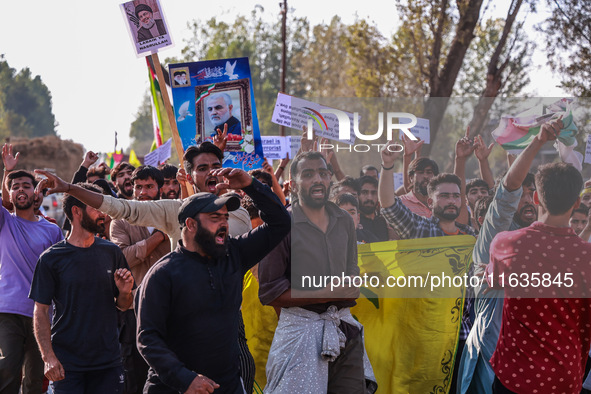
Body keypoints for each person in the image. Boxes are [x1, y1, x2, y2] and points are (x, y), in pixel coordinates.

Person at [34, 142, 255, 388]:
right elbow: (121, 207)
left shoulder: (240, 215)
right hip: (180, 324)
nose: (211, 172)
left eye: (216, 166)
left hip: (228, 322)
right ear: (189, 175)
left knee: (237, 379)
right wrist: (68, 187)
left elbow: (267, 236)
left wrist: (250, 186)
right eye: (202, 168)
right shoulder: (177, 211)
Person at [136, 168, 290, 393]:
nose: (224, 224)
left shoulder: (234, 254)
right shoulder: (162, 274)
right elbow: (148, 338)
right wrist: (185, 379)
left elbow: (280, 223)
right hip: (175, 388)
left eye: (226, 217)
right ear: (190, 225)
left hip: (226, 385)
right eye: (215, 218)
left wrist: (250, 184)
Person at [258, 151, 376, 394]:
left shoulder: (344, 219)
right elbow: (269, 292)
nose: (318, 180)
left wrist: (353, 283)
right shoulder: (282, 225)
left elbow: (352, 267)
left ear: (330, 178)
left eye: (323, 173)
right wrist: (325, 293)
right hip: (300, 332)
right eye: (308, 174)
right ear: (294, 182)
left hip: (344, 328)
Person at [456, 117, 558, 394]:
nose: (527, 199)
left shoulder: (547, 245)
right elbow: (506, 194)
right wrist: (537, 143)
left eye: (532, 194)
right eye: (522, 194)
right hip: (490, 363)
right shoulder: (494, 241)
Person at [378, 139, 476, 393]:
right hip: (422, 337)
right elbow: (389, 205)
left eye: (456, 196)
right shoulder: (420, 229)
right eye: (444, 196)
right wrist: (388, 166)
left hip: (462, 339)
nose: (451, 201)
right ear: (430, 201)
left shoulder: (470, 240)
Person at [486, 162, 591, 394]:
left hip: (514, 375)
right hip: (564, 375)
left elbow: (492, 280)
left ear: (535, 198)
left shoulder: (505, 243)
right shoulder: (586, 257)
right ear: (576, 203)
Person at [29, 183, 134, 393]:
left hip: (109, 361)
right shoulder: (51, 259)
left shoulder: (112, 252)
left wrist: (125, 292)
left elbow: (123, 306)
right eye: (96, 208)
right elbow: (40, 311)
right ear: (76, 211)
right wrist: (48, 357)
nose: (103, 213)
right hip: (67, 364)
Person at [0, 144, 64, 394]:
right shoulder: (5, 221)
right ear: (10, 194)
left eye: (26, 186)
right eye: (15, 187)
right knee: (7, 368)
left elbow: (60, 272)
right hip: (7, 310)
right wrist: (8, 172)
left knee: (35, 378)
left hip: (42, 314)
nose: (20, 190)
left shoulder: (52, 230)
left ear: (35, 192)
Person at [110, 166, 171, 394]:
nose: (143, 192)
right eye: (138, 187)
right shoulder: (121, 220)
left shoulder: (171, 215)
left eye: (149, 187)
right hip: (136, 308)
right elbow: (122, 258)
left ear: (160, 188)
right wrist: (158, 237)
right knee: (136, 372)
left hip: (172, 306)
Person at [357, 175, 389, 241]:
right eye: (364, 192)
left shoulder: (385, 222)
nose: (369, 198)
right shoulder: (355, 223)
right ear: (357, 194)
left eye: (374, 193)